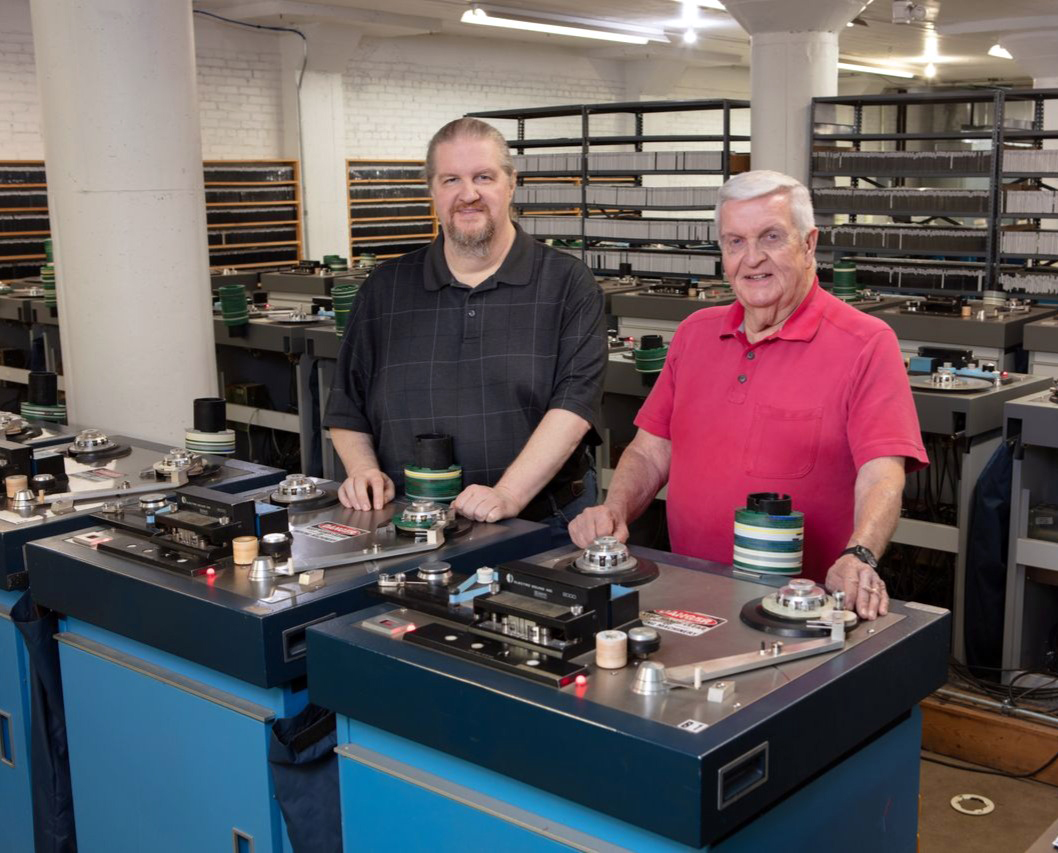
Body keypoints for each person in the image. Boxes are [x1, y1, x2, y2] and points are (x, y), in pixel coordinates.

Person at [569, 170, 927, 620]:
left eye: (771, 237)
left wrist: (861, 555)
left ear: (809, 244)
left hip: (803, 610)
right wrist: (615, 510)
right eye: (735, 242)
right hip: (687, 596)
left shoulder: (867, 342)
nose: (752, 258)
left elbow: (882, 475)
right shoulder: (694, 335)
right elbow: (652, 450)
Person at [324, 117, 606, 538]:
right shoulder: (386, 289)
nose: (468, 194)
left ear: (511, 184)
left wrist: (508, 494)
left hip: (541, 522)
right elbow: (347, 404)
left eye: (483, 177)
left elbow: (573, 407)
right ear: (432, 191)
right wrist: (363, 470)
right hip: (407, 523)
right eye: (451, 179)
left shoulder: (567, 282)